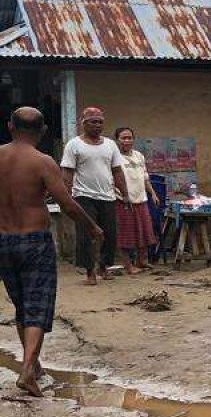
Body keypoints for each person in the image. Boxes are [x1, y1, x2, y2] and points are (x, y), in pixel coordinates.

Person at [0, 107, 104, 396]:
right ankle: (27, 371)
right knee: (37, 306)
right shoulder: (42, 162)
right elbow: (67, 204)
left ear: (10, 126)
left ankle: (34, 366)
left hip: (4, 240)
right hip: (35, 241)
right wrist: (92, 227)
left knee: (22, 304)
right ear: (43, 131)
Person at [61, 106, 126, 285]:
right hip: (83, 196)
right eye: (93, 122)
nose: (97, 125)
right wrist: (66, 196)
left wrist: (125, 193)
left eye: (100, 122)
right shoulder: (74, 145)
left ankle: (103, 267)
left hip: (108, 196)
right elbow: (67, 172)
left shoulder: (110, 145)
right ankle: (90, 272)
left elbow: (117, 170)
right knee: (86, 234)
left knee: (110, 234)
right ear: (83, 123)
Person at [113, 127, 158, 273]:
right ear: (117, 140)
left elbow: (145, 178)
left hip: (141, 199)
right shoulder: (114, 157)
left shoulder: (139, 156)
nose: (127, 141)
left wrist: (153, 193)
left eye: (129, 138)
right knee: (126, 234)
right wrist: (121, 194)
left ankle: (141, 261)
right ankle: (128, 265)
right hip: (123, 200)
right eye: (123, 138)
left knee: (144, 231)